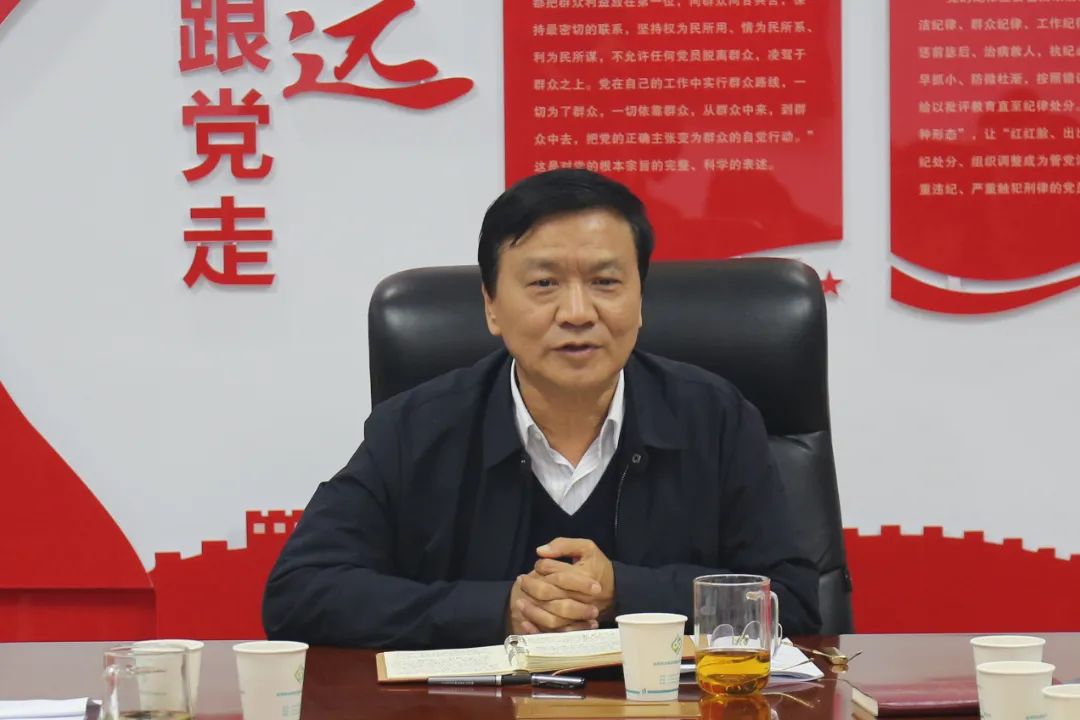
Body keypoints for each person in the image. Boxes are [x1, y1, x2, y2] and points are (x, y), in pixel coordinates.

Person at [263, 169, 821, 649]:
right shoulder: (416, 427)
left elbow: (793, 603)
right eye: (544, 283)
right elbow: (299, 593)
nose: (577, 312)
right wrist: (502, 611)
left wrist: (622, 592)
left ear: (640, 300)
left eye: (605, 282)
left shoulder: (715, 418)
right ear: (491, 306)